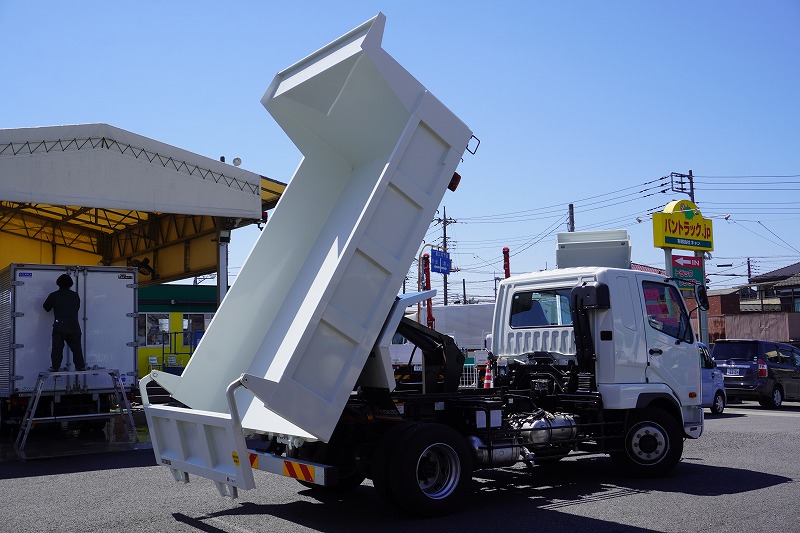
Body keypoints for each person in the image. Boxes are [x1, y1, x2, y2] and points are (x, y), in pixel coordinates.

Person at [43, 274, 86, 371]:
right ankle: (80, 366)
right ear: (70, 284)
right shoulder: (75, 295)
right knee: (77, 348)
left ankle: (55, 367)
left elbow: (46, 308)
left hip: (59, 326)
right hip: (74, 326)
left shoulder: (53, 295)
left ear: (58, 283)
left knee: (57, 349)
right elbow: (77, 308)